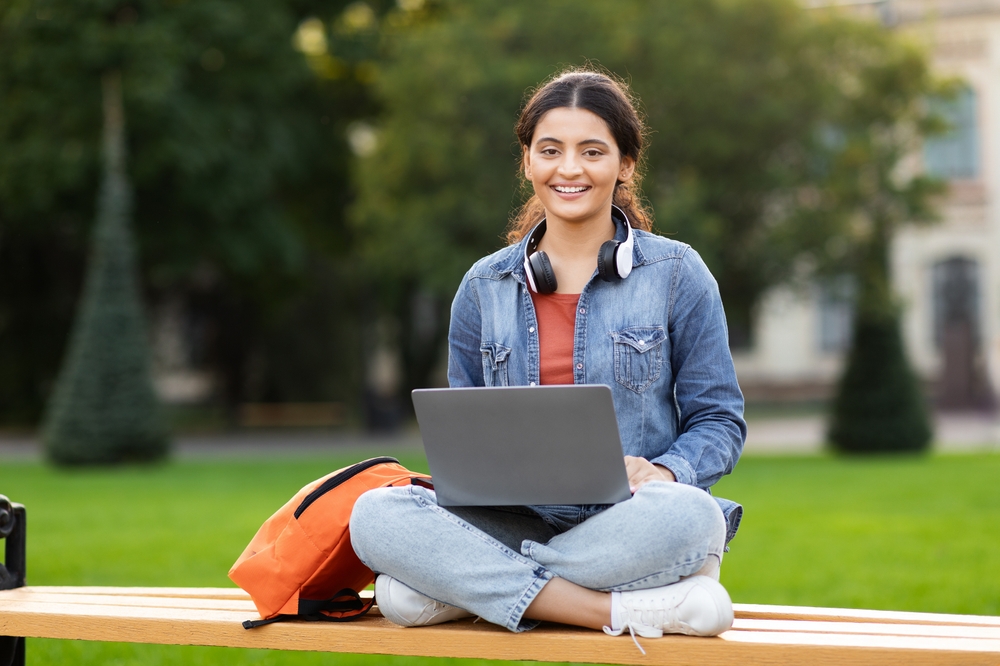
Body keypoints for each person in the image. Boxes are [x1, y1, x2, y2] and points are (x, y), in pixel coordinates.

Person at [350, 69, 746, 646]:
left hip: (635, 520)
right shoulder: (483, 286)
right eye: (551, 150)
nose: (569, 169)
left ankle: (460, 588)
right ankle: (616, 609)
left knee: (695, 518)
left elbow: (719, 421)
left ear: (625, 164)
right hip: (519, 518)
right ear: (528, 162)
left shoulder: (679, 274)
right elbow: (468, 437)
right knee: (373, 515)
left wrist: (664, 471)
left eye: (592, 151)